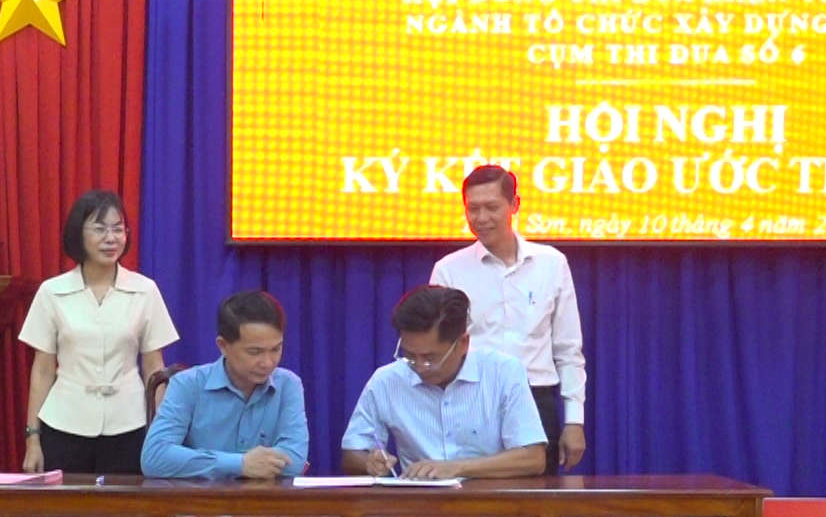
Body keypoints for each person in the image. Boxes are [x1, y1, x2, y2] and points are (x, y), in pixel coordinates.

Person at [431, 165, 586, 474]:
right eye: (473, 209)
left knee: (537, 496)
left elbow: (568, 351)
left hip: (535, 399)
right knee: (472, 493)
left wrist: (574, 421)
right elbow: (439, 350)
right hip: (471, 401)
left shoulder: (551, 264)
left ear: (514, 205)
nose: (481, 218)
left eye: (492, 207)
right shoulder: (449, 270)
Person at [19, 191, 179, 476]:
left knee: (125, 503)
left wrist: (159, 435)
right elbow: (42, 370)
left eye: (118, 229)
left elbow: (154, 368)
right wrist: (33, 439)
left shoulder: (145, 290)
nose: (111, 238)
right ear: (78, 234)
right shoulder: (52, 292)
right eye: (100, 228)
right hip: (64, 424)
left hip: (129, 425)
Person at [342, 285, 548, 480]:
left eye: (430, 358)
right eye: (409, 356)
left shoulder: (503, 372)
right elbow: (352, 453)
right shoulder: (387, 381)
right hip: (417, 501)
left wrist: (456, 467)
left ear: (463, 343)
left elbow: (533, 459)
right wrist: (369, 462)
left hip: (488, 500)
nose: (419, 367)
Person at [141, 290, 307, 479]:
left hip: (266, 497)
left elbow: (294, 460)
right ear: (223, 346)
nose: (268, 363)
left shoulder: (288, 385)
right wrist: (240, 464)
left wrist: (204, 463)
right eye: (255, 352)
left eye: (276, 349)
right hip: (202, 497)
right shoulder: (187, 385)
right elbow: (154, 457)